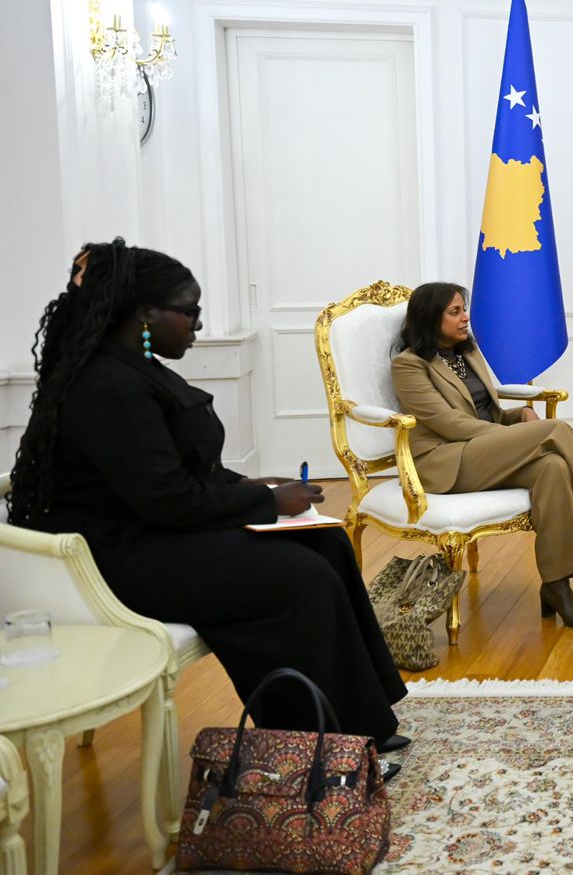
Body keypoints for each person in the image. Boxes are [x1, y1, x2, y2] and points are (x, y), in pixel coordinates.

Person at [5, 240, 408, 756]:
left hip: (154, 531)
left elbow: (179, 470)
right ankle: (315, 743)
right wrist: (269, 505)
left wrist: (249, 486)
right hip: (114, 558)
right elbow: (166, 499)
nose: (198, 325)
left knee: (326, 543)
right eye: (189, 312)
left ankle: (362, 718)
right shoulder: (108, 385)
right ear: (145, 314)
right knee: (301, 580)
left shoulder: (135, 367)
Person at [389, 283, 573, 629]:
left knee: (552, 467)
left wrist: (517, 417)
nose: (465, 317)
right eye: (455, 312)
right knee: (556, 430)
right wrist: (517, 438)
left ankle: (556, 586)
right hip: (447, 461)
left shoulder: (467, 354)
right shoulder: (409, 366)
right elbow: (449, 423)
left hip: (483, 451)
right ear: (430, 318)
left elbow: (485, 412)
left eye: (464, 309)